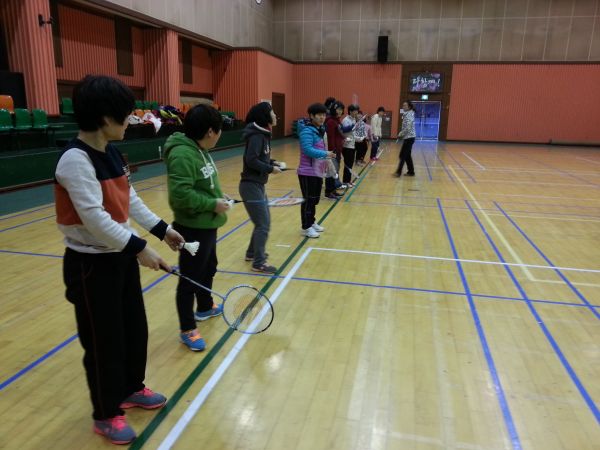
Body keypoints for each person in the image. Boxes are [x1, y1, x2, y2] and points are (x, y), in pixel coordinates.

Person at [54, 75, 185, 445]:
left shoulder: (111, 152)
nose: (130, 121)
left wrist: (163, 230)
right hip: (91, 266)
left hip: (120, 258)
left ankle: (130, 388)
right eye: (125, 116)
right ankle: (105, 412)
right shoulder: (75, 161)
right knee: (103, 343)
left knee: (133, 330)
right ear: (104, 118)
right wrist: (140, 248)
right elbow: (95, 220)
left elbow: (130, 200)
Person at [164, 105, 231, 352]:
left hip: (208, 225)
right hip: (192, 228)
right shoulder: (183, 154)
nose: (220, 135)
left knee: (209, 267)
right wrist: (212, 204)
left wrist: (218, 196)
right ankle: (187, 328)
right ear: (210, 131)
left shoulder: (201, 149)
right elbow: (180, 196)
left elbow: (204, 183)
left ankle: (204, 306)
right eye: (220, 131)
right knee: (189, 280)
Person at [239, 102, 283, 274]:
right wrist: (270, 169)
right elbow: (251, 160)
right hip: (250, 186)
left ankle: (252, 253)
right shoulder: (257, 135)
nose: (275, 115)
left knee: (262, 222)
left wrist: (272, 163)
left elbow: (259, 157)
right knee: (263, 224)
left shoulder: (263, 134)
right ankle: (259, 263)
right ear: (265, 116)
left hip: (257, 185)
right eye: (272, 112)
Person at [297, 103, 335, 238]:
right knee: (308, 200)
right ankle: (306, 227)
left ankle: (311, 222)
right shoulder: (307, 131)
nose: (322, 117)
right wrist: (325, 154)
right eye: (319, 115)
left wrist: (327, 158)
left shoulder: (319, 130)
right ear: (312, 116)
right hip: (307, 172)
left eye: (324, 115)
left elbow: (319, 149)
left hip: (317, 171)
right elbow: (307, 150)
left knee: (314, 200)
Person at [324, 101, 346, 199]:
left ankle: (333, 190)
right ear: (333, 109)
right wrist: (332, 151)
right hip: (333, 151)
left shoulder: (337, 120)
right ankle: (328, 192)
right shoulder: (331, 121)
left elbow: (338, 134)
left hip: (338, 150)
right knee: (330, 172)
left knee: (335, 170)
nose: (340, 111)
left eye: (341, 109)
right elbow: (330, 137)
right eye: (338, 109)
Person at [396, 101, 416, 177]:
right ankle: (411, 171)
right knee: (407, 155)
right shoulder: (407, 114)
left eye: (405, 105)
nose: (403, 106)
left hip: (409, 138)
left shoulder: (409, 115)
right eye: (403, 105)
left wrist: (400, 134)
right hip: (408, 137)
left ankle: (398, 172)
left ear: (409, 107)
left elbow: (408, 127)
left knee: (402, 155)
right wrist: (402, 134)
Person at [341, 104, 359, 186]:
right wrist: (353, 126)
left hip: (352, 144)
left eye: (357, 111)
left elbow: (353, 131)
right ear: (350, 111)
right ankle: (345, 181)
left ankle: (348, 180)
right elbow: (344, 131)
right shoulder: (346, 120)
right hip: (347, 145)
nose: (356, 113)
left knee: (350, 164)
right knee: (347, 164)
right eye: (355, 111)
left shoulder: (354, 119)